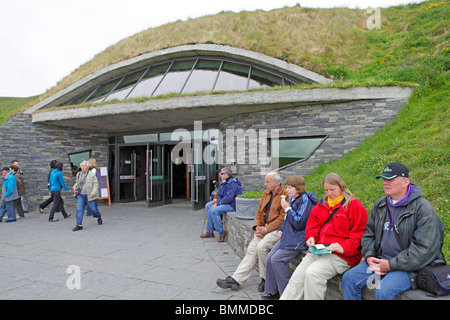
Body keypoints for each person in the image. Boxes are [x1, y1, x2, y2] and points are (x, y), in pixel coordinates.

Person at [342, 162, 446, 300]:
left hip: (410, 268)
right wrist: (369, 256)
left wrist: (390, 265)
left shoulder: (423, 208)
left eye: (390, 179)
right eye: (384, 179)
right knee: (349, 278)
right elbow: (368, 234)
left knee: (383, 291)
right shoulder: (381, 204)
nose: (385, 183)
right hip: (380, 261)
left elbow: (424, 249)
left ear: (405, 182)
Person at [280, 173, 368, 300]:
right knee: (297, 278)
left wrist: (341, 247)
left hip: (343, 254)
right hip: (320, 249)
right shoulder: (322, 204)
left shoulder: (354, 206)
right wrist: (311, 237)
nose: (329, 193)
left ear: (341, 187)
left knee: (313, 274)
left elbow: (360, 235)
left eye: (332, 190)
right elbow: (313, 224)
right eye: (326, 190)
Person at [216, 171, 287, 292]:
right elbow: (259, 212)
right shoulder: (266, 193)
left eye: (267, 182)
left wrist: (266, 229)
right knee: (251, 250)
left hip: (276, 230)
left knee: (261, 247)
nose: (265, 184)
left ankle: (266, 279)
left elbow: (282, 218)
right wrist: (257, 227)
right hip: (263, 228)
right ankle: (236, 280)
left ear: (276, 183)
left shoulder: (285, 195)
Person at [262, 175, 318, 299]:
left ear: (298, 189)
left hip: (298, 238)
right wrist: (281, 229)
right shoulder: (293, 199)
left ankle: (287, 293)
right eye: (287, 187)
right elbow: (287, 220)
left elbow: (299, 222)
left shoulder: (305, 200)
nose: (287, 190)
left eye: (290, 188)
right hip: (288, 235)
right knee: (270, 257)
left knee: (277, 259)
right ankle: (272, 291)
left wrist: (287, 208)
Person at [200, 166, 242, 242]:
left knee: (213, 211)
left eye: (222, 173)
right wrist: (217, 202)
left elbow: (229, 198)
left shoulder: (232, 183)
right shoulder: (226, 182)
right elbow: (221, 194)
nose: (220, 175)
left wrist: (218, 203)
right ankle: (209, 232)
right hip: (226, 203)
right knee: (210, 209)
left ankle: (221, 232)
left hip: (232, 205)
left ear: (226, 174)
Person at [72, 160, 103, 231]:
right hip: (81, 195)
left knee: (94, 209)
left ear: (87, 167)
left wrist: (94, 192)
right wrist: (74, 187)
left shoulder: (92, 175)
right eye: (82, 166)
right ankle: (79, 225)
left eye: (84, 166)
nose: (83, 167)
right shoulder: (79, 174)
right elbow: (77, 183)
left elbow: (96, 184)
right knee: (79, 210)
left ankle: (98, 217)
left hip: (90, 195)